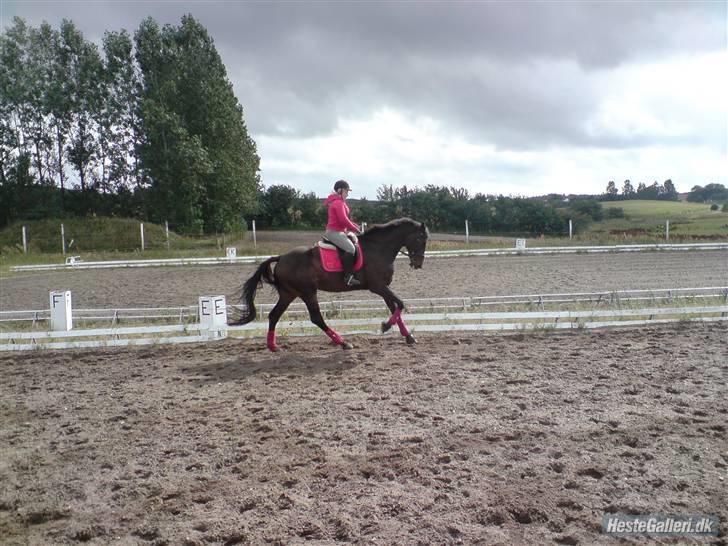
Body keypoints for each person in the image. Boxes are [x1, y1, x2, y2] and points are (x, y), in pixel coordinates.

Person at [324, 179, 362, 286]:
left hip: (340, 231)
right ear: (340, 191)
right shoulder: (338, 203)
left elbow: (346, 220)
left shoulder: (340, 202)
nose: (347, 194)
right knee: (350, 248)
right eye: (346, 191)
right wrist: (356, 230)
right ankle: (348, 277)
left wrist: (356, 226)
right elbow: (343, 220)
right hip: (334, 232)